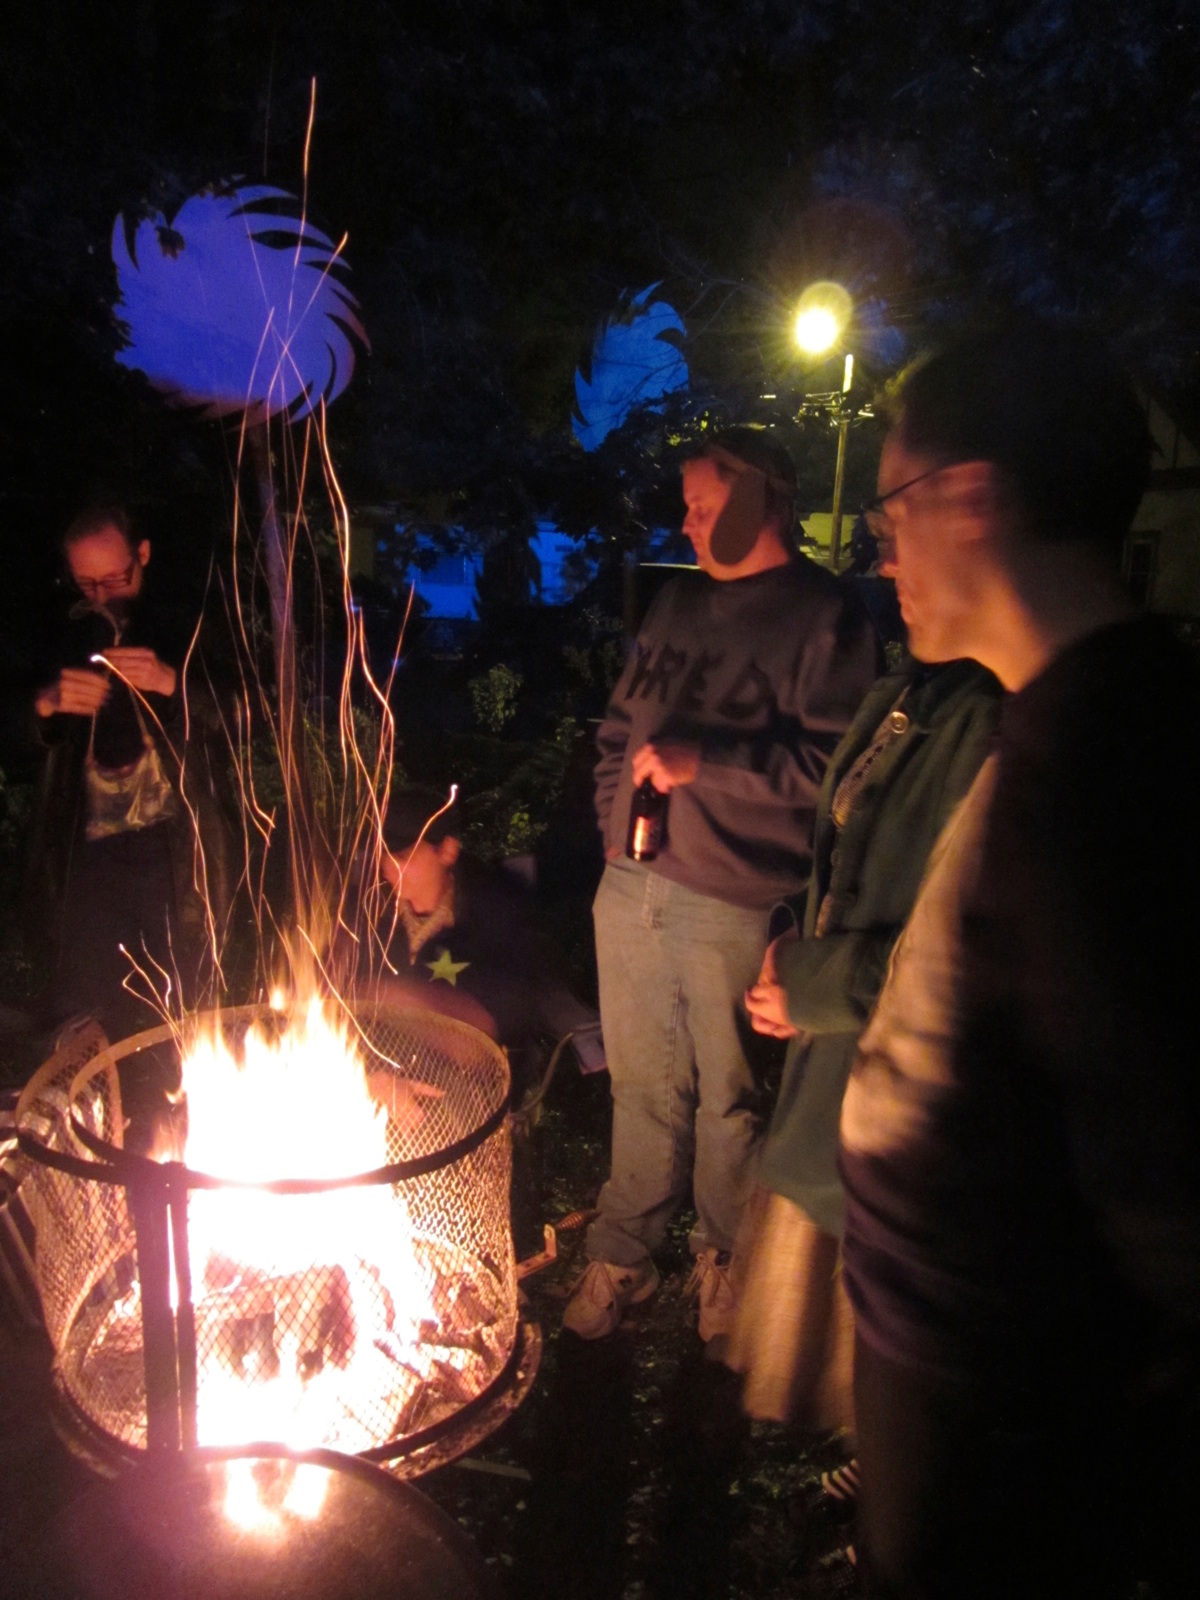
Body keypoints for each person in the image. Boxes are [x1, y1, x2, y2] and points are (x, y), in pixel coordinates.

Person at [837, 323, 1200, 1598]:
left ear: (974, 495)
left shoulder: (1108, 764)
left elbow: (1159, 1160)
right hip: (958, 1351)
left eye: (890, 511)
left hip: (999, 1390)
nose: (881, 553)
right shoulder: (1069, 710)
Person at [564, 426, 881, 1341]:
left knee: (727, 1095)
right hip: (632, 885)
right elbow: (620, 727)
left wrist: (716, 761)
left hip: (734, 896)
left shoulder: (826, 618)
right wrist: (609, 826)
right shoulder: (674, 606)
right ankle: (622, 1258)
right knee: (641, 1083)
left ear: (761, 501)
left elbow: (836, 765)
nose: (689, 523)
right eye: (690, 507)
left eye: (705, 506)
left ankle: (722, 1260)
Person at [730, 656, 1001, 1430]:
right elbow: (850, 867)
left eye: (901, 527)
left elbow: (975, 953)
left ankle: (899, 1496)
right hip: (842, 1069)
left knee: (901, 1364)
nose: (885, 552)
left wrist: (818, 986)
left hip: (905, 1109)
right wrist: (794, 981)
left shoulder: (999, 723)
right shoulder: (912, 694)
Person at [27, 506, 229, 1042]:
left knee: (187, 1000)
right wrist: (45, 707)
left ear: (142, 555)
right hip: (88, 849)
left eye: (114, 578)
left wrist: (171, 682)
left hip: (173, 845)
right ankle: (89, 1107)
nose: (102, 594)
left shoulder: (189, 623)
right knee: (85, 1002)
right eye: (86, 582)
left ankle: (188, 1102)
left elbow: (245, 715)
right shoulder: (53, 629)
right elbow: (19, 728)